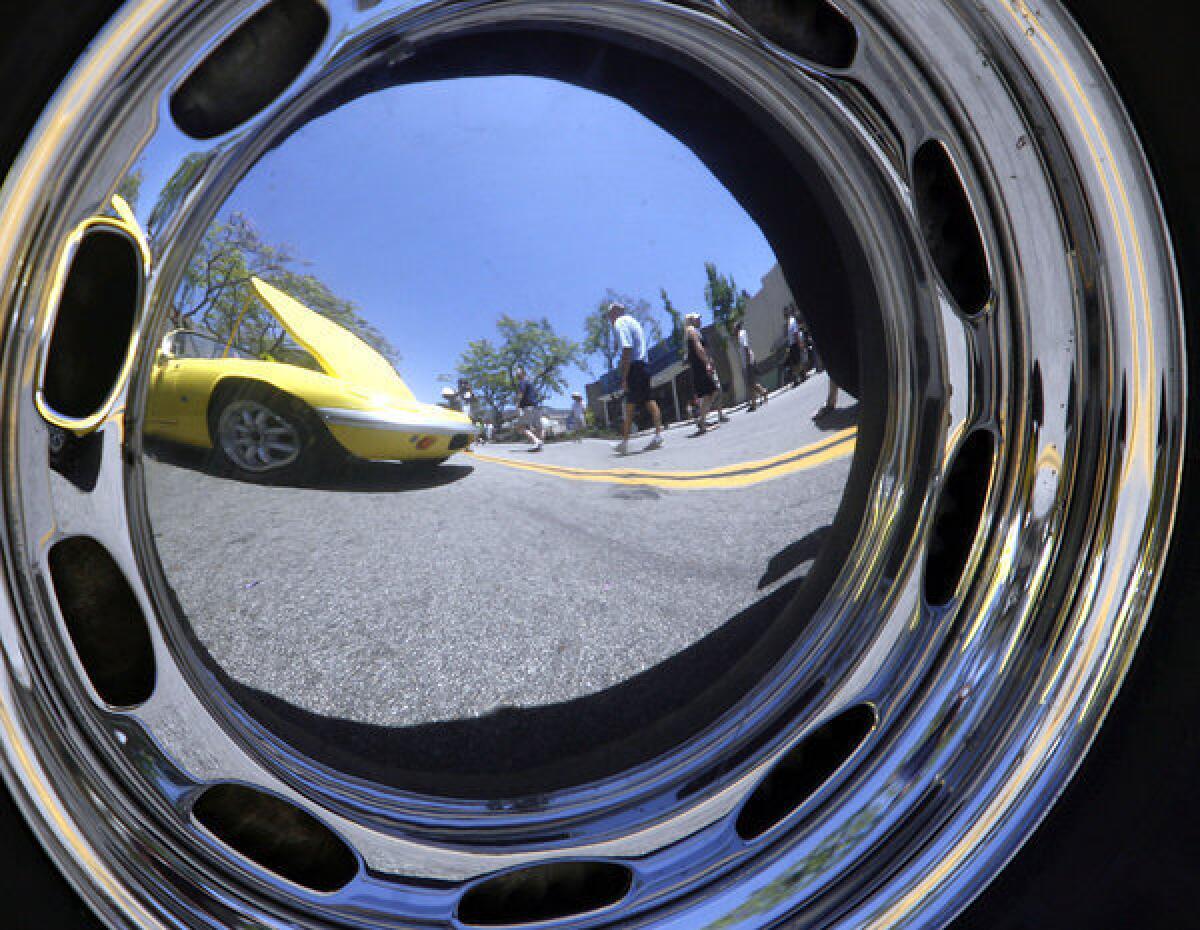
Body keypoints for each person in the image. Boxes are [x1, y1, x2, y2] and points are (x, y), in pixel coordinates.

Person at [608, 302, 664, 454]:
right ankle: (657, 435)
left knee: (630, 405)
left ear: (615, 312)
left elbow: (627, 348)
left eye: (609, 315)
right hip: (644, 365)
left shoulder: (619, 322)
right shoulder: (634, 322)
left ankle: (625, 442)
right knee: (648, 400)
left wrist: (624, 377)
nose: (609, 319)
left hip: (635, 368)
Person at [685, 313, 721, 434]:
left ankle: (702, 421)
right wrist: (707, 363)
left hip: (699, 366)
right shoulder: (692, 331)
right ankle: (702, 423)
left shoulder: (692, 331)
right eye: (697, 318)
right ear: (692, 320)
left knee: (708, 394)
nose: (700, 320)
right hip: (700, 367)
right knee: (712, 392)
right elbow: (699, 348)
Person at [735, 321, 770, 411]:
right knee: (752, 383)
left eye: (734, 328)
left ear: (737, 328)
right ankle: (763, 392)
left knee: (750, 384)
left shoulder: (741, 334)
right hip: (748, 361)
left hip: (748, 362)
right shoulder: (741, 334)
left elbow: (746, 347)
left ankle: (754, 404)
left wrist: (747, 362)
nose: (733, 330)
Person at [513, 366, 543, 451]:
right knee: (538, 426)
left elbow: (520, 394)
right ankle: (539, 443)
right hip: (536, 406)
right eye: (516, 373)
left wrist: (517, 405)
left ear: (523, 374)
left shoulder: (522, 382)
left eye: (518, 372)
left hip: (528, 407)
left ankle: (536, 441)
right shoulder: (530, 383)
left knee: (521, 427)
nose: (517, 374)